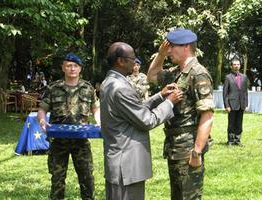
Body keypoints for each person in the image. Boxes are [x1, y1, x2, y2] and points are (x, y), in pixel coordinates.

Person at [100, 42, 183, 200]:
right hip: (126, 165)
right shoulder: (120, 88)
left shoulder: (110, 82)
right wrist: (170, 102)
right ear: (121, 61)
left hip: (120, 161)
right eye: (132, 58)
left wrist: (160, 96)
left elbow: (133, 110)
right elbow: (147, 120)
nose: (135, 61)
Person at [147, 28, 214, 200]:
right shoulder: (176, 73)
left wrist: (197, 152)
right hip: (175, 148)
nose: (168, 51)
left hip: (188, 149)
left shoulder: (198, 73)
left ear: (185, 47)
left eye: (172, 47)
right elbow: (152, 76)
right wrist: (160, 55)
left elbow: (207, 116)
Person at [37, 53, 99, 200]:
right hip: (59, 142)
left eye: (75, 66)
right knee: (57, 179)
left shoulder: (87, 88)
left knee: (87, 177)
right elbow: (42, 109)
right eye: (69, 65)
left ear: (80, 69)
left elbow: (96, 109)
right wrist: (42, 121)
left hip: (81, 141)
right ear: (63, 68)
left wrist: (99, 122)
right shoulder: (53, 88)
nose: (72, 68)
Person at [223, 58, 248, 146]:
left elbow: (245, 92)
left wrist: (246, 105)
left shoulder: (244, 77)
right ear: (231, 66)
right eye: (234, 64)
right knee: (231, 123)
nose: (236, 66)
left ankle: (238, 140)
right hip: (232, 104)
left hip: (241, 104)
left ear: (240, 66)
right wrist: (227, 105)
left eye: (238, 64)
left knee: (239, 123)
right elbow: (225, 93)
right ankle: (230, 140)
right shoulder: (228, 77)